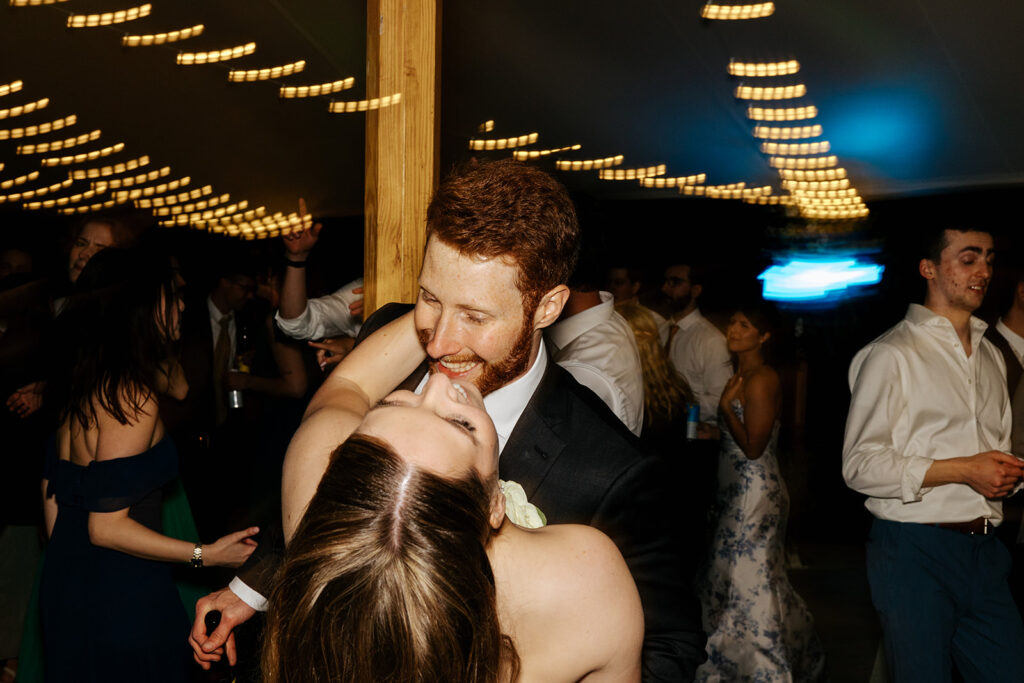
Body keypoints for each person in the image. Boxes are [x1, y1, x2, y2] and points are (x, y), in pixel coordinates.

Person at [192, 159, 705, 682]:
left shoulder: (614, 470)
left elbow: (670, 651)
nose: (437, 343)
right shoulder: (390, 328)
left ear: (548, 307)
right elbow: (341, 499)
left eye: (475, 316)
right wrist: (254, 587)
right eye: (429, 298)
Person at [267, 309, 644, 682]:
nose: (436, 383)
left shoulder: (311, 521)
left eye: (394, 403)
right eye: (461, 424)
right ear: (494, 504)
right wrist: (469, 307)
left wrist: (439, 307)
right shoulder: (587, 580)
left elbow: (349, 386)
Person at [39, 247, 260, 683]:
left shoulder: (82, 384)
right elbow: (106, 527)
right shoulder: (129, 395)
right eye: (173, 296)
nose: (183, 306)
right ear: (143, 303)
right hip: (121, 593)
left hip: (67, 584)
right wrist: (206, 555)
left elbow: (53, 504)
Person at [843, 226, 1024, 681]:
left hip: (987, 552)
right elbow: (860, 466)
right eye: (968, 259)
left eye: (989, 258)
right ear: (928, 269)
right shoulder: (891, 353)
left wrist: (1008, 474)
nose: (984, 271)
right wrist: (964, 470)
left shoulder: (990, 355)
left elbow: (996, 454)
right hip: (914, 549)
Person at [696, 302, 825, 682]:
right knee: (729, 576)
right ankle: (734, 660)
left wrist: (725, 409)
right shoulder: (741, 374)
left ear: (764, 336)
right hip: (732, 488)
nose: (734, 330)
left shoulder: (763, 378)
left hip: (753, 492)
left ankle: (763, 666)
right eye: (733, 322)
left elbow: (754, 447)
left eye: (744, 325)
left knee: (747, 578)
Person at [661, 263, 731, 427]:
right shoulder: (661, 330)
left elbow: (720, 401)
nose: (665, 288)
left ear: (695, 290)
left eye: (675, 282)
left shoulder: (711, 340)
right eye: (666, 282)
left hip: (693, 430)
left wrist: (677, 405)